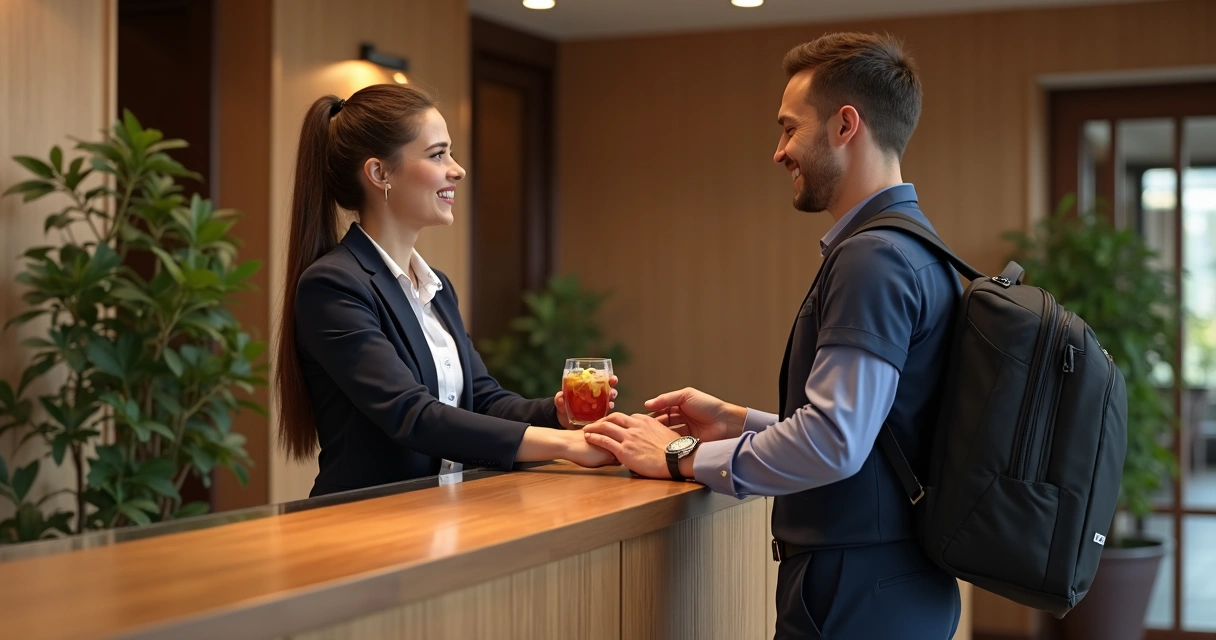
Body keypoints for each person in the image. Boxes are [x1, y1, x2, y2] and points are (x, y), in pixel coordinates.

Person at [584, 33, 962, 639]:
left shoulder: (874, 259)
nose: (779, 152)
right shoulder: (919, 249)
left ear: (845, 125)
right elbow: (876, 436)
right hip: (894, 584)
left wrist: (678, 457)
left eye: (789, 128)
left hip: (856, 591)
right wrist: (737, 420)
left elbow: (835, 442)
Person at [275, 84, 616, 497]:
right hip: (365, 524)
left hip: (442, 515)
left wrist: (556, 412)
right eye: (438, 155)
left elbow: (481, 401)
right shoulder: (333, 286)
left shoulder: (436, 285)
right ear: (380, 173)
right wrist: (570, 446)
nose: (458, 169)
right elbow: (412, 415)